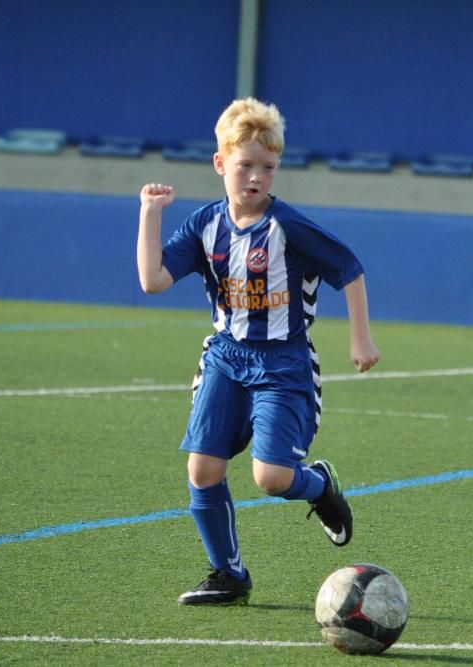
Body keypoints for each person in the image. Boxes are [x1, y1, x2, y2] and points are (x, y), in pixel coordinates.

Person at [137, 98, 380, 605]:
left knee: (270, 478)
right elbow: (153, 280)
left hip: (283, 364)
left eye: (267, 167)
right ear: (220, 163)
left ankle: (320, 487)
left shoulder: (287, 226)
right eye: (244, 165)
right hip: (226, 356)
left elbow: (350, 268)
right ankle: (228, 574)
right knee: (202, 470)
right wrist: (150, 215)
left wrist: (360, 338)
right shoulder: (206, 226)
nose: (255, 177)